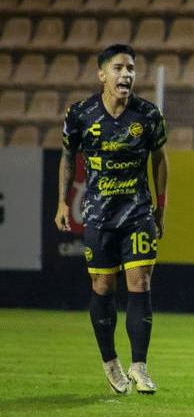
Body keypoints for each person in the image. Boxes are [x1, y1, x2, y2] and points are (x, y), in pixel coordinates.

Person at [55, 44, 168, 395]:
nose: (127, 74)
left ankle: (140, 366)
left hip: (137, 214)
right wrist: (62, 202)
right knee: (103, 288)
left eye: (131, 68)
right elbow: (67, 156)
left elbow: (160, 161)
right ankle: (111, 363)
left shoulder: (147, 115)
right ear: (102, 75)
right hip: (99, 217)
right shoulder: (80, 114)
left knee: (141, 285)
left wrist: (160, 209)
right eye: (119, 68)